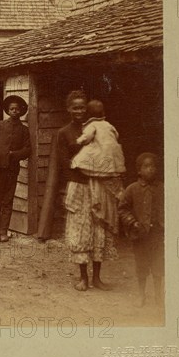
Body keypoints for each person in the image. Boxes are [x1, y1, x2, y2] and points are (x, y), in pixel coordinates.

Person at [58, 91, 121, 291]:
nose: (79, 111)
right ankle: (83, 277)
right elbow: (63, 163)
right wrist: (67, 186)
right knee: (81, 231)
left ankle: (97, 278)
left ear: (88, 109)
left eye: (82, 107)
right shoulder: (64, 132)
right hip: (78, 185)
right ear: (68, 109)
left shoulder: (100, 128)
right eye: (75, 107)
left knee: (98, 229)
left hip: (99, 185)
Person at [119, 153, 164, 307]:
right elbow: (122, 209)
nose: (151, 169)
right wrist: (133, 222)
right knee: (142, 266)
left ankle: (159, 296)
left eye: (153, 166)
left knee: (158, 266)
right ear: (139, 170)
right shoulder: (132, 189)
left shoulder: (162, 188)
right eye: (146, 166)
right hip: (141, 236)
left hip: (158, 235)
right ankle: (141, 295)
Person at [0, 95, 31, 243]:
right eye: (12, 109)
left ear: (21, 111)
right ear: (7, 111)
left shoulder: (24, 130)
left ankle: (3, 231)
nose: (14, 111)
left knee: (8, 200)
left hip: (12, 169)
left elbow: (27, 150)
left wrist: (14, 155)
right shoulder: (0, 125)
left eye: (17, 109)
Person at [71, 99, 126, 177]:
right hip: (111, 149)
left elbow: (87, 137)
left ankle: (94, 170)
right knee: (111, 164)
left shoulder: (92, 125)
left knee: (89, 154)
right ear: (103, 112)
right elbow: (116, 134)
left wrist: (80, 140)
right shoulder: (107, 124)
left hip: (100, 149)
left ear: (88, 114)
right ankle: (110, 172)